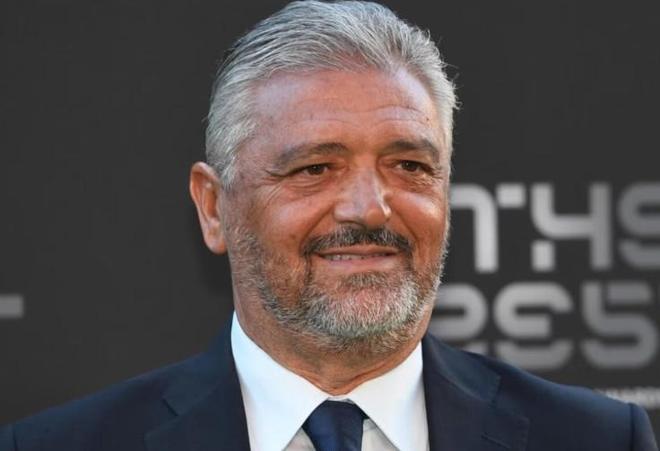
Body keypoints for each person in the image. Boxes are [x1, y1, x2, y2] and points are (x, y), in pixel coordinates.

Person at [1, 1, 657, 450]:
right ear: (213, 206)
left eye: (409, 165)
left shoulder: (596, 440)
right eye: (315, 168)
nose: (370, 208)